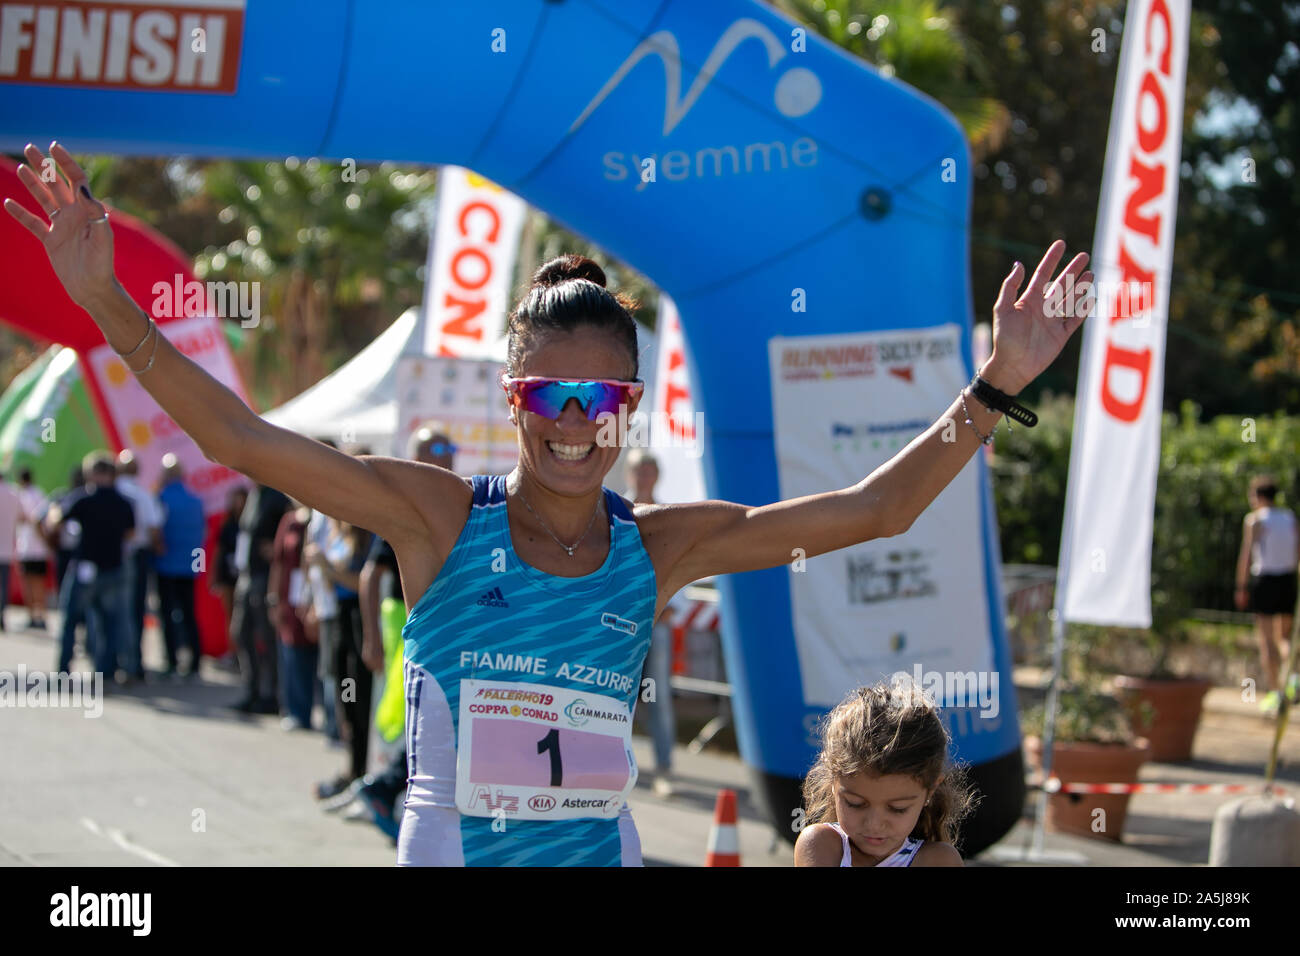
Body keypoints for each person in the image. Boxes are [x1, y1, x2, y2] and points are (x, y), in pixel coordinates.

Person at [9, 143, 1090, 867]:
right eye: (548, 394)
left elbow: (876, 509)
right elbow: (240, 438)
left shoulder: (662, 544)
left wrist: (993, 385)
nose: (574, 421)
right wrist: (103, 294)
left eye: (601, 396)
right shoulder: (435, 515)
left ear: (627, 404)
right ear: (513, 397)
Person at [794, 681, 973, 866]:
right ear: (834, 782)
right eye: (855, 804)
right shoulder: (821, 844)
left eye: (898, 809)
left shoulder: (939, 860)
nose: (874, 824)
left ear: (930, 790)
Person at [306, 516, 374, 798]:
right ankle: (352, 767)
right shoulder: (335, 533)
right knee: (345, 699)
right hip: (338, 620)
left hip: (359, 621)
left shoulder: (364, 533)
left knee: (360, 701)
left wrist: (329, 569)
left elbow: (362, 585)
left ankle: (362, 770)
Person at [623, 449, 677, 796]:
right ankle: (613, 765)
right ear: (629, 475)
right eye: (638, 471)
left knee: (659, 698)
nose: (644, 477)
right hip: (619, 624)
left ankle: (663, 768)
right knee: (616, 692)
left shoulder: (670, 515)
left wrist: (666, 606)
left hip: (655, 624)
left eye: (649, 471)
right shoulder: (614, 513)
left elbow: (679, 567)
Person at [53, 452, 134, 677]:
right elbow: (131, 533)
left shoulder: (83, 498)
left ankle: (63, 670)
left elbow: (57, 521)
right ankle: (105, 673)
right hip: (114, 568)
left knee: (71, 620)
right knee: (110, 624)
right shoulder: (124, 502)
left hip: (85, 568)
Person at [1235, 475, 1300, 714]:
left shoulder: (1255, 520)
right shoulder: (1289, 517)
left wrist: (1241, 587)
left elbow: (1246, 555)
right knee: (1284, 638)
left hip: (1265, 580)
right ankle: (1294, 677)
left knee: (1266, 640)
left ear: (1259, 496)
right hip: (1287, 580)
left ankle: (1275, 693)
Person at [230, 482, 290, 713]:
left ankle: (270, 694)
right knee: (241, 633)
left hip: (263, 577)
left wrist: (275, 548)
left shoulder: (276, 496)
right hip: (246, 575)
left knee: (265, 635)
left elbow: (290, 528)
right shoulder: (254, 495)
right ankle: (251, 689)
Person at [154, 455, 206, 679]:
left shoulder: (161, 498)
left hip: (166, 566)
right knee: (188, 613)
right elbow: (201, 536)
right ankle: (195, 662)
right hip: (189, 567)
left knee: (167, 614)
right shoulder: (196, 501)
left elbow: (155, 531)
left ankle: (172, 661)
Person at [115, 449, 163, 679]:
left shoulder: (114, 491)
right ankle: (134, 662)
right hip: (136, 557)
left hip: (115, 557)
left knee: (114, 610)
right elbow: (154, 528)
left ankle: (117, 660)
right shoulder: (144, 495)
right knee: (134, 610)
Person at [269, 500, 316, 730]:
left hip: (312, 597)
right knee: (291, 652)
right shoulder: (289, 521)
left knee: (313, 655)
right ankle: (295, 710)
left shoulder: (318, 518)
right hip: (289, 595)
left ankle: (319, 713)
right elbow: (277, 562)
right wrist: (273, 599)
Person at [15, 467, 51, 630]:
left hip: (26, 546)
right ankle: (41, 615)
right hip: (39, 547)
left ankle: (32, 616)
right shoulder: (40, 494)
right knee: (39, 583)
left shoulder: (20, 495)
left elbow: (25, 518)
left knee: (28, 583)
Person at [210, 486, 247, 634]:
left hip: (245, 575)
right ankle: (234, 652)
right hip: (228, 576)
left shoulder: (250, 522)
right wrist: (214, 576)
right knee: (231, 616)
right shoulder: (227, 525)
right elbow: (219, 551)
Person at [0, 471, 19, 632]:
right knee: (3, 585)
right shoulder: (13, 494)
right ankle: (1, 616)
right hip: (6, 548)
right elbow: (25, 517)